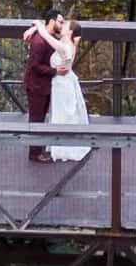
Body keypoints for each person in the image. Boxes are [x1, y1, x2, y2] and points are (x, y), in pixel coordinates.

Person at [46, 18, 90, 162]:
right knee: (64, 112)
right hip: (62, 83)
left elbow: (47, 37)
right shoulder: (69, 44)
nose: (62, 25)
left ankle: (63, 148)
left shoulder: (64, 46)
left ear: (70, 31)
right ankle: (62, 145)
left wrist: (39, 26)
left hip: (62, 85)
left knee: (63, 113)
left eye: (65, 25)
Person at [24, 10, 63, 161]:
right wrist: (54, 71)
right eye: (60, 22)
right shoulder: (40, 42)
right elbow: (35, 66)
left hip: (43, 86)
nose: (62, 24)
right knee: (36, 119)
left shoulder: (47, 36)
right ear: (52, 22)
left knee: (40, 118)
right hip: (37, 86)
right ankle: (34, 153)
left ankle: (38, 149)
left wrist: (35, 26)